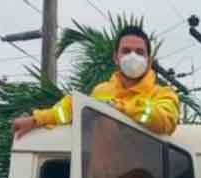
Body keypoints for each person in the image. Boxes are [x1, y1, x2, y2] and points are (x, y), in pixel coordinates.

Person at [11, 26, 179, 138]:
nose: (132, 56)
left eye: (139, 52)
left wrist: (121, 108)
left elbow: (165, 122)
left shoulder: (163, 94)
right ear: (116, 58)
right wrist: (35, 120)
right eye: (126, 51)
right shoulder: (101, 92)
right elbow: (68, 110)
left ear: (149, 61)